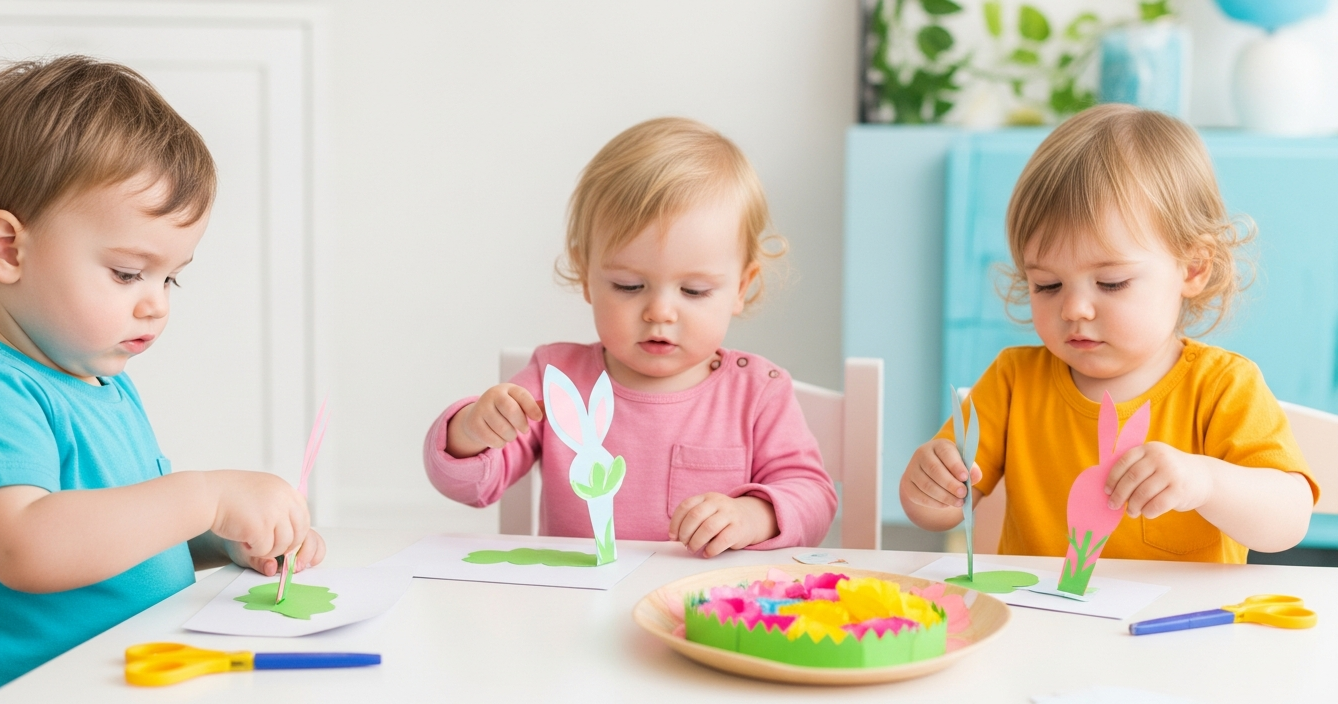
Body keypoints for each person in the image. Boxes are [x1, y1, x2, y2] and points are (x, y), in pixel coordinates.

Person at [0, 56, 323, 704]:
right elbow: (29, 546)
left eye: (170, 280)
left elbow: (122, 543)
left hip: (106, 701)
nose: (156, 305)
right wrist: (204, 495)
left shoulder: (103, 384)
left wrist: (221, 537)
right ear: (6, 249)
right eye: (126, 273)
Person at [900, 104, 1317, 563]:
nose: (1074, 308)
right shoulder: (1012, 380)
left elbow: (1289, 521)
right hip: (1048, 628)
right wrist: (929, 486)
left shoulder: (1222, 386)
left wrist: (1206, 481)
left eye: (1111, 282)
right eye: (1047, 285)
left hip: (1180, 634)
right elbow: (940, 514)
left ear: (1194, 267)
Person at [425, 117, 836, 557]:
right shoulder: (557, 379)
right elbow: (470, 488)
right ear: (587, 277)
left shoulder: (758, 392)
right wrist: (470, 430)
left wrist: (755, 516)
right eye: (628, 285)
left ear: (742, 286)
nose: (659, 311)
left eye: (694, 291)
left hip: (702, 610)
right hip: (574, 606)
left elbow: (813, 497)